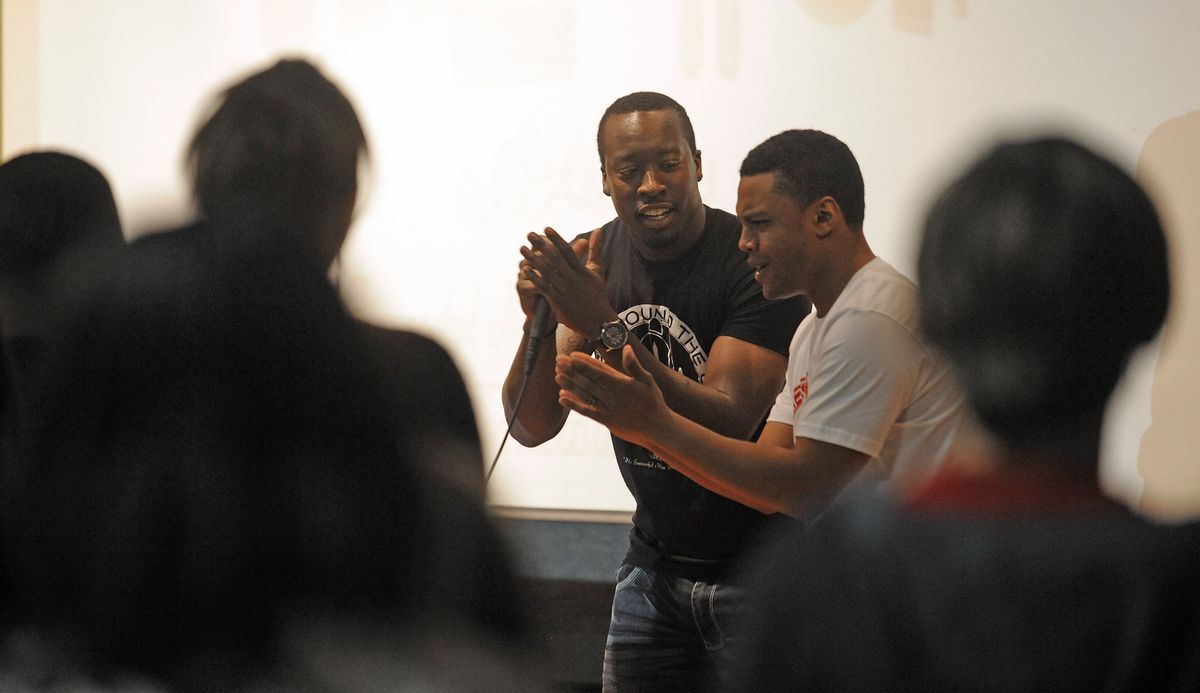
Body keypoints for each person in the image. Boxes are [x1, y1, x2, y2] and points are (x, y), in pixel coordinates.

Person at [727, 137, 1200, 692]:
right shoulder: (1175, 593)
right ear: (1153, 317)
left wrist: (650, 418)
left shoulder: (819, 583)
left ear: (939, 324)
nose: (745, 243)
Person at [502, 92, 810, 690]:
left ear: (697, 163)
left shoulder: (754, 260)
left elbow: (728, 419)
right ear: (604, 180)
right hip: (653, 564)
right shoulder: (592, 259)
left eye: (668, 163)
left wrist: (602, 325)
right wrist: (536, 320)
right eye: (628, 170)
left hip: (761, 568)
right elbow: (532, 426)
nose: (650, 184)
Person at [556, 128, 968, 521]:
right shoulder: (817, 326)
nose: (743, 242)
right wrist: (649, 429)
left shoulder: (869, 317)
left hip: (933, 580)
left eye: (760, 224)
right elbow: (766, 481)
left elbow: (801, 490)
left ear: (824, 217)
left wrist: (654, 424)